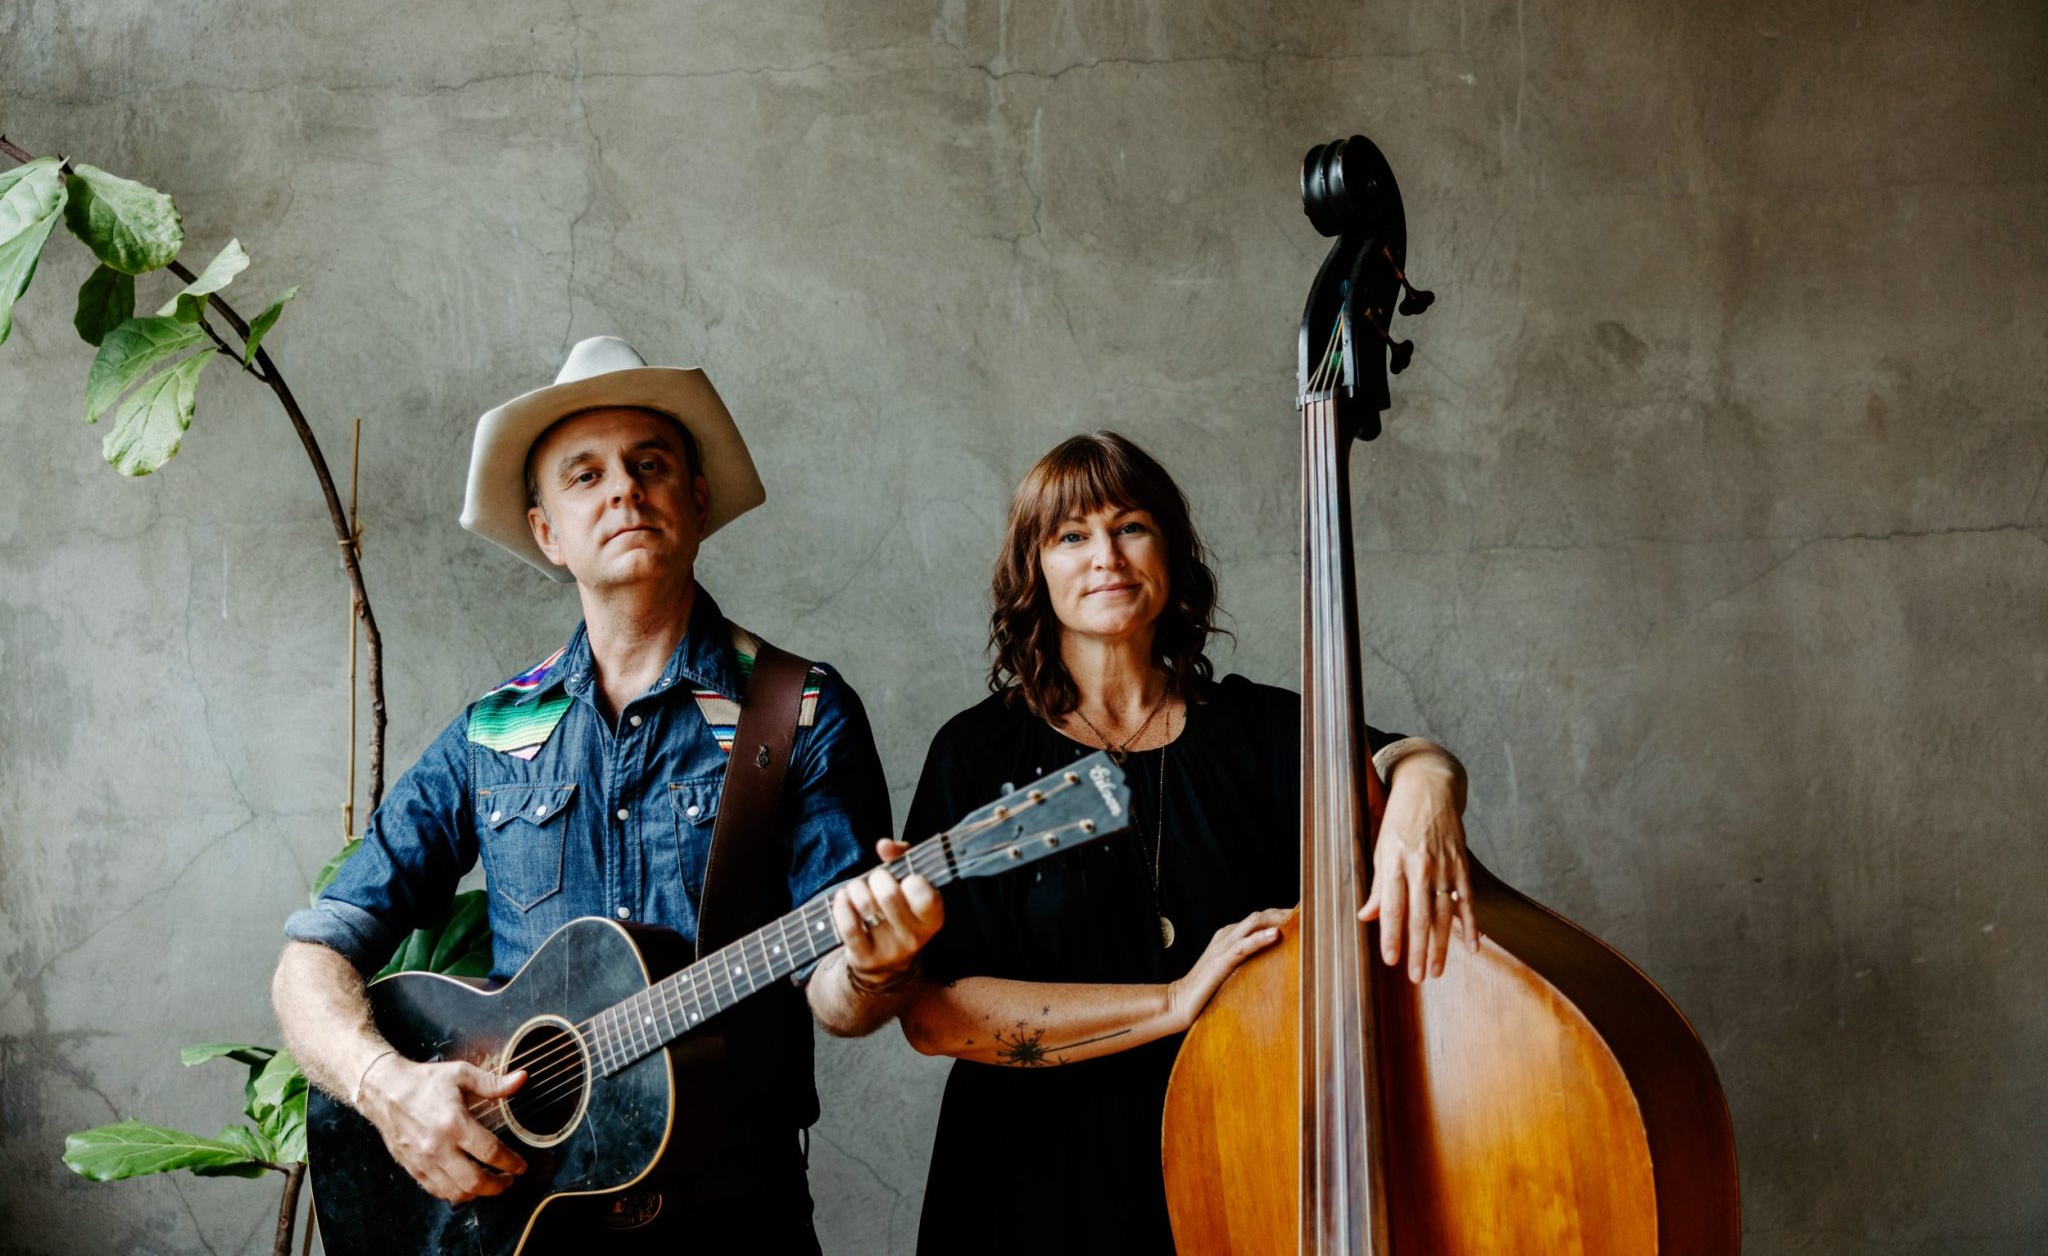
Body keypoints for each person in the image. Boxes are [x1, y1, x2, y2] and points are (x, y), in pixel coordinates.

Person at [272, 337, 942, 1252]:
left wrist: (878, 963)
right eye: (584, 475)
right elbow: (311, 959)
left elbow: (837, 999)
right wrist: (388, 1089)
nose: (623, 489)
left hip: (735, 1218)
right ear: (548, 532)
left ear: (696, 499)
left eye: (650, 464)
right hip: (520, 1219)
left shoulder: (800, 710)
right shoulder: (492, 734)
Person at [895, 430, 1474, 1255]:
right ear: (1035, 571)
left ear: (1169, 551)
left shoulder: (1262, 732)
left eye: (1131, 526)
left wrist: (1428, 788)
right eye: (1070, 536)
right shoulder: (977, 754)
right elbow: (934, 1016)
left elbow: (1405, 756)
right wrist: (1175, 999)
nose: (1107, 556)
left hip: (1234, 1164)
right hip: (1025, 1182)